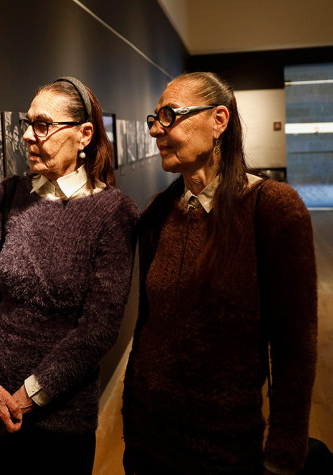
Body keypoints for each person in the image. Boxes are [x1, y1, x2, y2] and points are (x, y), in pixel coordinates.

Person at [122, 72, 318, 475]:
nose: (157, 130)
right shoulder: (158, 213)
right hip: (147, 442)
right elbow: (147, 327)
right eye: (153, 120)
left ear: (219, 121)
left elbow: (295, 346)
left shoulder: (272, 208)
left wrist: (284, 451)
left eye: (169, 116)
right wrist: (129, 417)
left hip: (224, 451)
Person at [0, 76, 139, 474]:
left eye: (42, 125)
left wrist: (23, 399)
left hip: (61, 416)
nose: (27, 136)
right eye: (27, 124)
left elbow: (98, 328)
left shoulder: (113, 213)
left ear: (84, 134)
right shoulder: (9, 194)